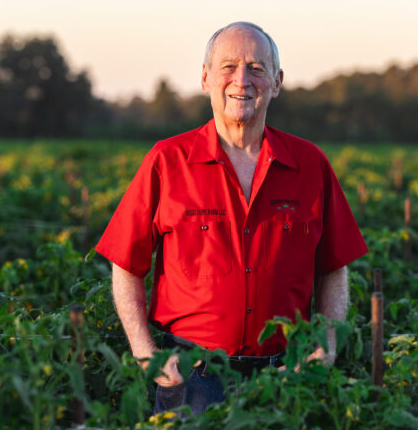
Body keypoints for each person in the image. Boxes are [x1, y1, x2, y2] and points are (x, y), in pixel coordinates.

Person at [95, 22, 368, 415]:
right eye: (228, 67)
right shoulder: (167, 161)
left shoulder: (310, 165)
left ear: (277, 82)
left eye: (256, 68)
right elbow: (126, 263)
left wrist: (324, 347)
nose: (242, 80)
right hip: (191, 377)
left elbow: (334, 267)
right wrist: (145, 352)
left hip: (285, 378)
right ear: (206, 78)